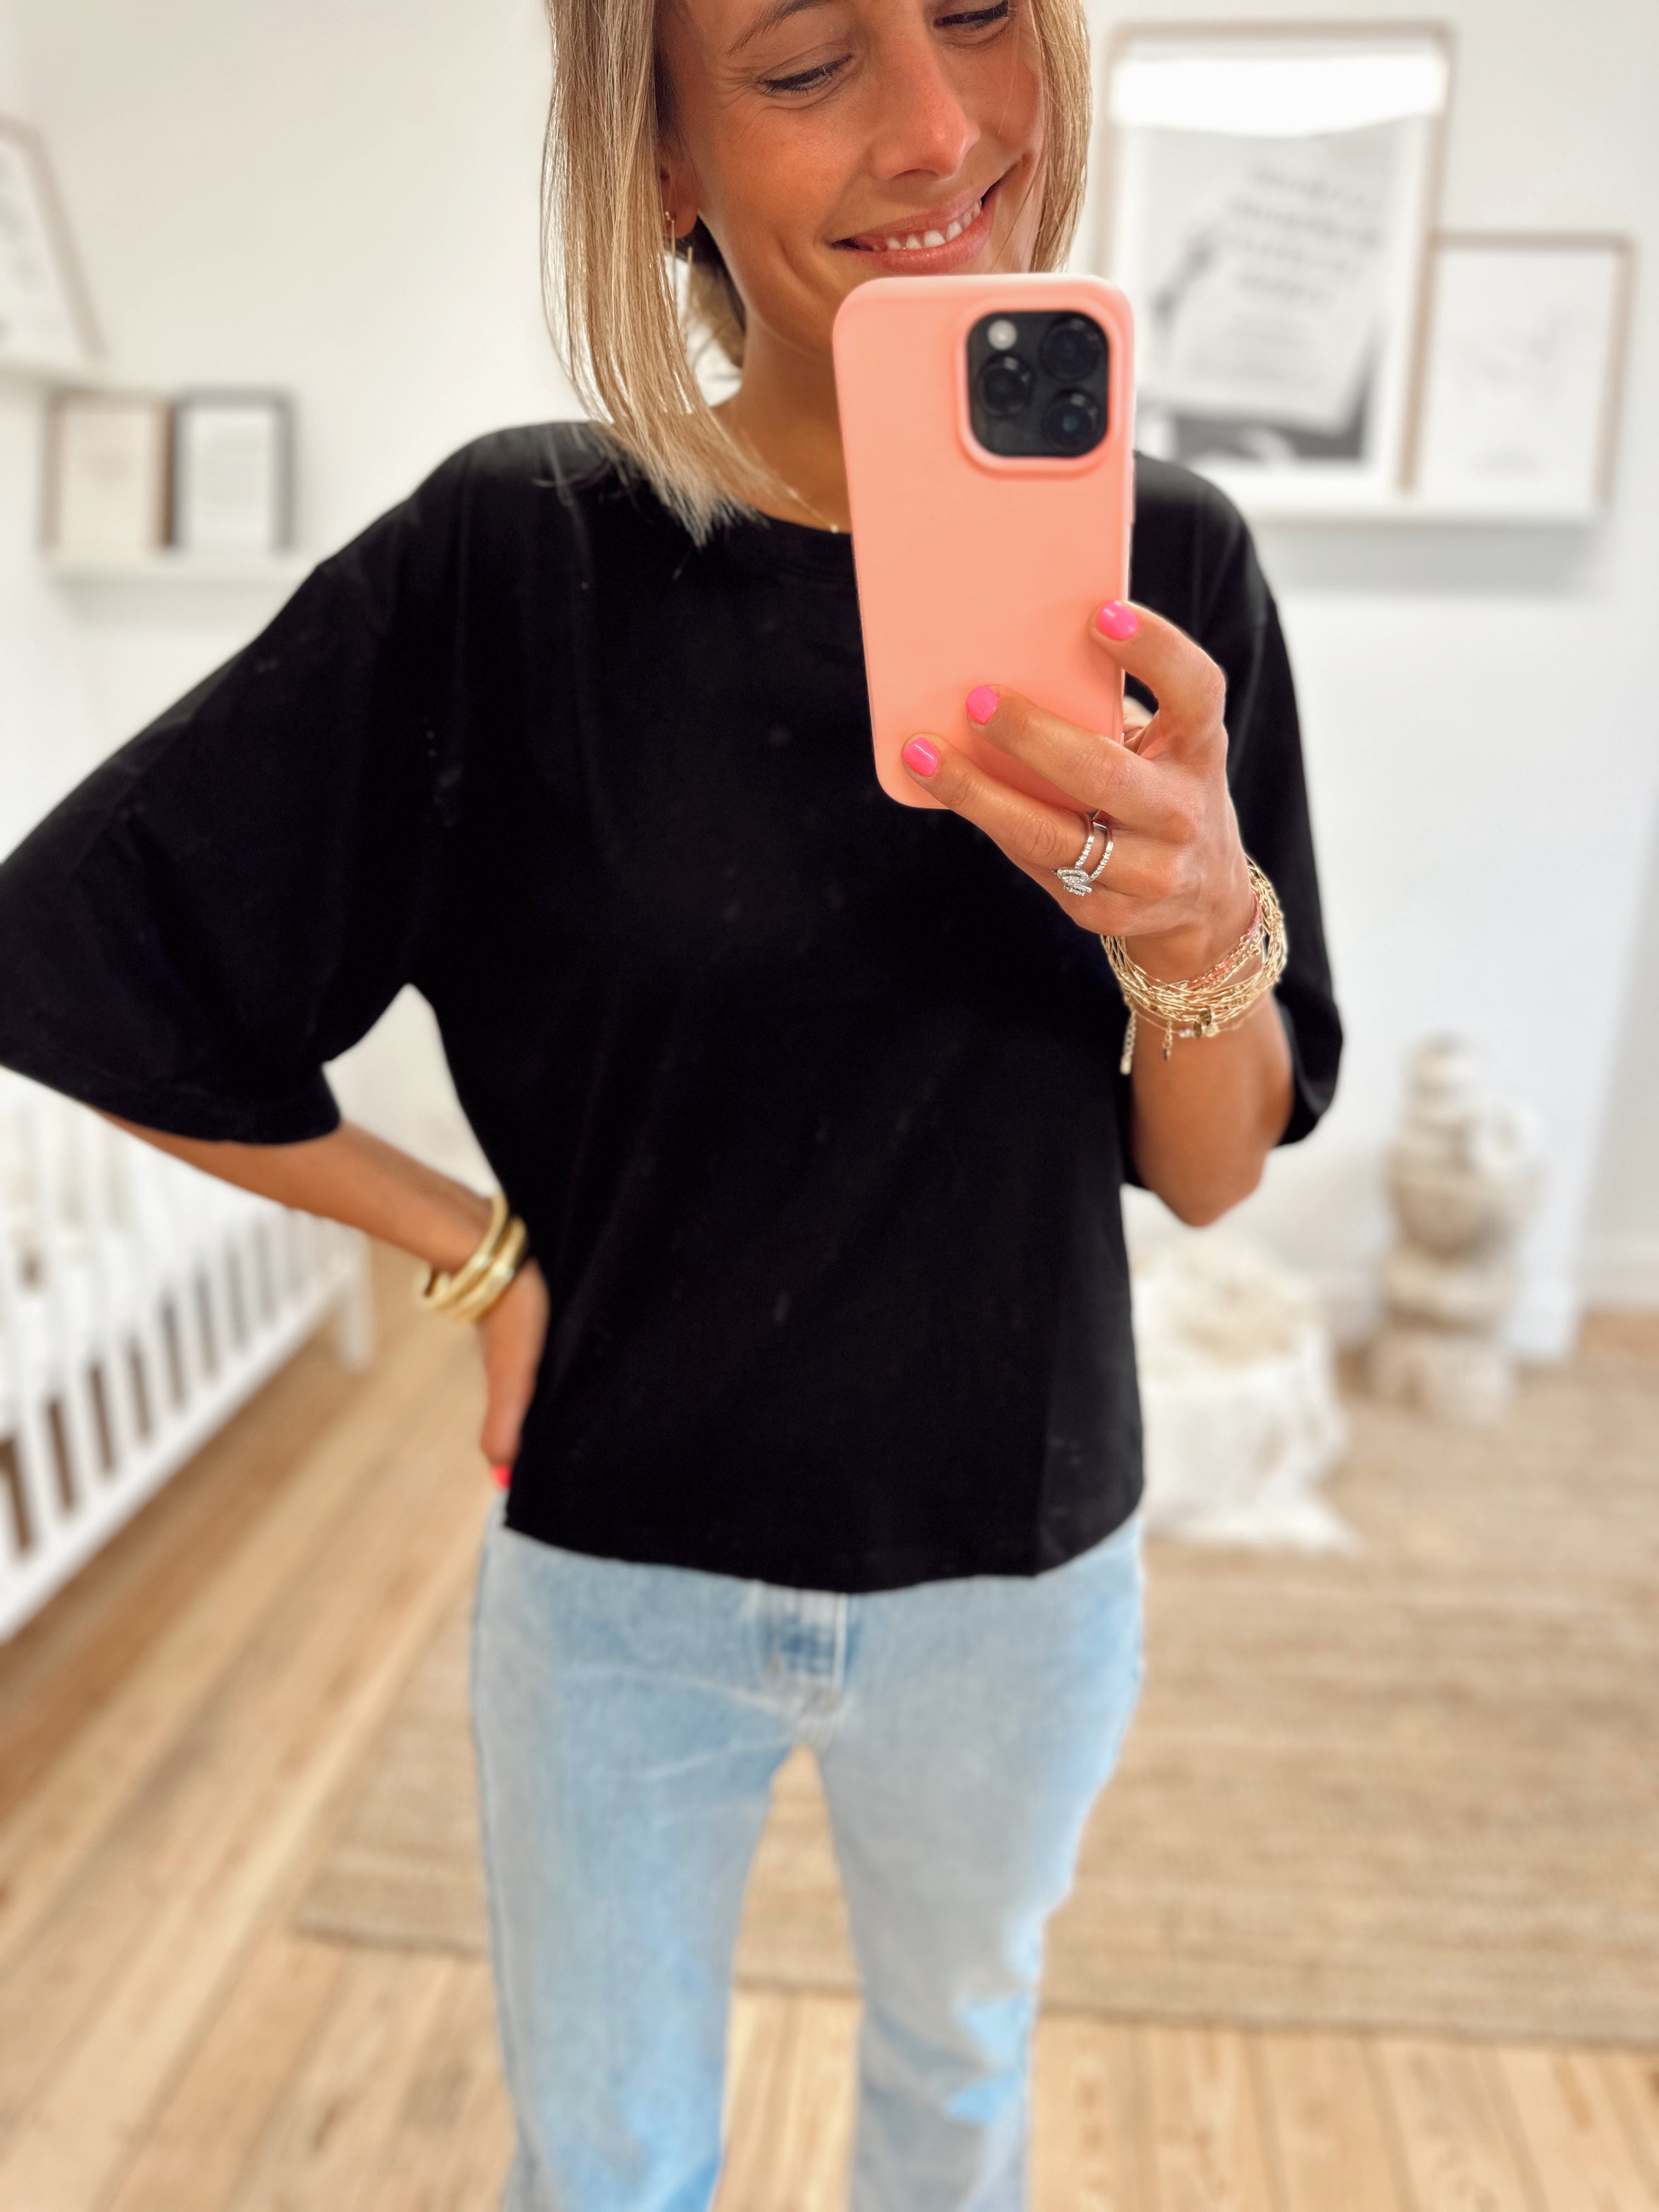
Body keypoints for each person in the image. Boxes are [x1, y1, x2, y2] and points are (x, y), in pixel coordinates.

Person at [0, 0, 1341, 2204]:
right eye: (808, 66)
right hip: (617, 1574)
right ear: (663, 158)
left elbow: (1207, 1177)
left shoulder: (1165, 566)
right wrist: (474, 1254)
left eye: (981, 13)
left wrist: (1199, 927)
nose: (940, 127)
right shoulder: (513, 563)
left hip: (1016, 1567)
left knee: (956, 2080)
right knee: (607, 2156)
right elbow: (80, 952)